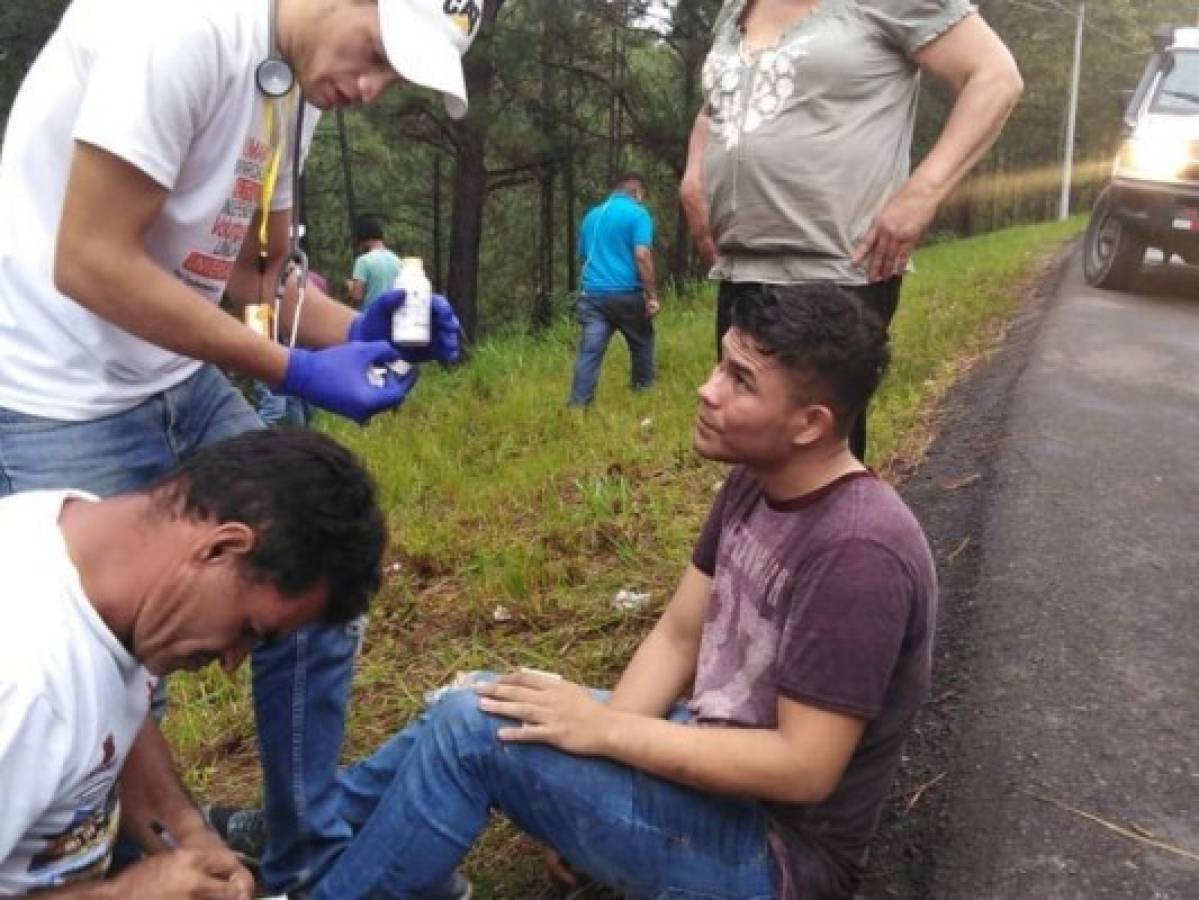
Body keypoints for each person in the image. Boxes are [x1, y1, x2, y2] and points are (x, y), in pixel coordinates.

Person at [0, 0, 483, 895]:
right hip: (56, 385)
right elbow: (92, 258)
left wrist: (356, 334)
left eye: (392, 78)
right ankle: (104, 870)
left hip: (170, 371)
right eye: (375, 54)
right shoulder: (179, 26)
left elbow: (256, 279)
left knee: (312, 589)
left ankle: (304, 852)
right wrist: (296, 371)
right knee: (117, 659)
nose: (368, 90)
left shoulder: (289, 84)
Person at [274, 283, 936, 900]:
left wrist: (606, 738)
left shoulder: (857, 551)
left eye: (739, 382)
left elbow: (802, 769)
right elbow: (678, 636)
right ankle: (315, 829)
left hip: (775, 858)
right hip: (714, 764)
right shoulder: (756, 480)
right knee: (483, 695)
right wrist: (590, 772)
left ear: (809, 423)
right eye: (718, 366)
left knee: (467, 734)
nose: (706, 392)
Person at [0, 429, 385, 898]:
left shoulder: (98, 547)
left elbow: (105, 705)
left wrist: (188, 833)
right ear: (222, 548)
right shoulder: (23, 681)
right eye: (249, 629)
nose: (230, 661)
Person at [679, 0, 1023, 458]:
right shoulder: (737, 8)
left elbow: (996, 77)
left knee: (809, 451)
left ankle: (850, 532)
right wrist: (694, 173)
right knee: (746, 438)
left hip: (836, 268)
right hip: (741, 265)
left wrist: (922, 192)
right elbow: (715, 103)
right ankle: (756, 533)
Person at [567, 172, 661, 407]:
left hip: (593, 297)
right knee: (642, 343)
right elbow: (642, 254)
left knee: (589, 353)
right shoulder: (638, 214)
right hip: (627, 295)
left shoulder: (591, 216)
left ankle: (579, 406)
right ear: (637, 193)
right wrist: (652, 296)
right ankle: (643, 397)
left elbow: (583, 256)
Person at [346, 215, 403, 311]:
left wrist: (351, 289)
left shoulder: (363, 261)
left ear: (363, 238)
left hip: (369, 318)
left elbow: (357, 297)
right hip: (391, 319)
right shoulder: (397, 260)